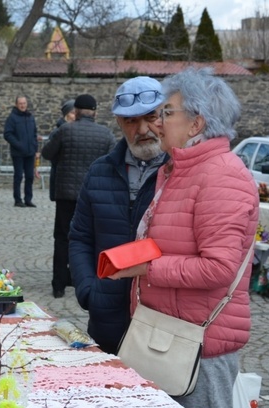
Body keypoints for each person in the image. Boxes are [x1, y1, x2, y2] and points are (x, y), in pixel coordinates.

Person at [109, 67, 259, 408]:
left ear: (196, 124)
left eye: (167, 113)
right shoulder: (180, 170)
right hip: (164, 337)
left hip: (198, 350)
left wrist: (147, 268)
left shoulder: (221, 175)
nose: (157, 123)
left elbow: (218, 268)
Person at [68, 76, 168, 352]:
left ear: (165, 116)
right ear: (119, 123)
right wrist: (89, 290)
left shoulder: (182, 174)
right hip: (106, 317)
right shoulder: (100, 171)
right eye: (131, 121)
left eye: (150, 117)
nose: (143, 129)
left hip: (162, 323)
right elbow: (80, 237)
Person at [42, 94, 115, 298]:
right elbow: (112, 162)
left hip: (66, 193)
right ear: (95, 111)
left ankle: (58, 284)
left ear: (76, 111)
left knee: (62, 238)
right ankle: (84, 279)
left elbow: (47, 153)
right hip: (92, 194)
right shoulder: (106, 134)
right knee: (90, 238)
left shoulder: (65, 130)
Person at [3, 95, 39, 208]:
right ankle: (17, 200)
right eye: (20, 103)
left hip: (29, 152)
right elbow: (7, 134)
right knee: (18, 176)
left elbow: (34, 134)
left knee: (29, 176)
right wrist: (18, 144)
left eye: (24, 103)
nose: (23, 105)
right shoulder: (12, 118)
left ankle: (28, 199)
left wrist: (35, 148)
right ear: (16, 104)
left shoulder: (30, 117)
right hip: (18, 153)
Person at [47, 99, 77, 201]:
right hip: (61, 177)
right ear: (66, 115)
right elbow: (51, 155)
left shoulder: (77, 131)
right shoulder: (57, 133)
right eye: (72, 113)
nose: (75, 116)